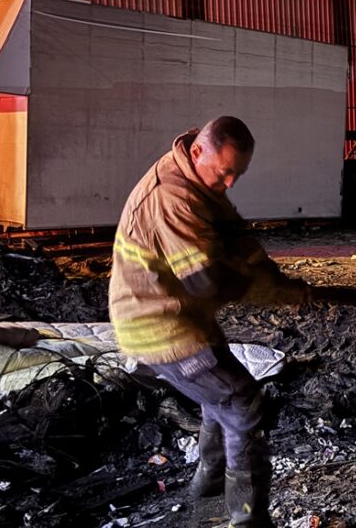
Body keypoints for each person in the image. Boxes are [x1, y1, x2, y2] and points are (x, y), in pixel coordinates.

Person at [108, 116, 308, 528]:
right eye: (225, 172)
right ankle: (246, 519)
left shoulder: (203, 182)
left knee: (219, 405)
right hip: (158, 326)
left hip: (186, 318)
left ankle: (206, 512)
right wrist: (272, 293)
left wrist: (281, 282)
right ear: (198, 152)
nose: (231, 182)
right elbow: (206, 282)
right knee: (241, 403)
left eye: (238, 173)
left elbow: (239, 241)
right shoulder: (173, 197)